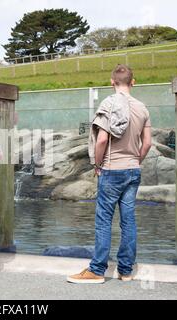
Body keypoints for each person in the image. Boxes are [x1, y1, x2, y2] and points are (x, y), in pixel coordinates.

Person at [67, 65, 152, 284]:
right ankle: (125, 271)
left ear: (111, 81)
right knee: (128, 221)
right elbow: (148, 143)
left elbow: (102, 139)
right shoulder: (142, 108)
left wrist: (97, 164)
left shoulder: (109, 104)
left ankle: (96, 270)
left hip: (112, 169)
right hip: (133, 170)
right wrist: (136, 161)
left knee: (104, 220)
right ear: (133, 82)